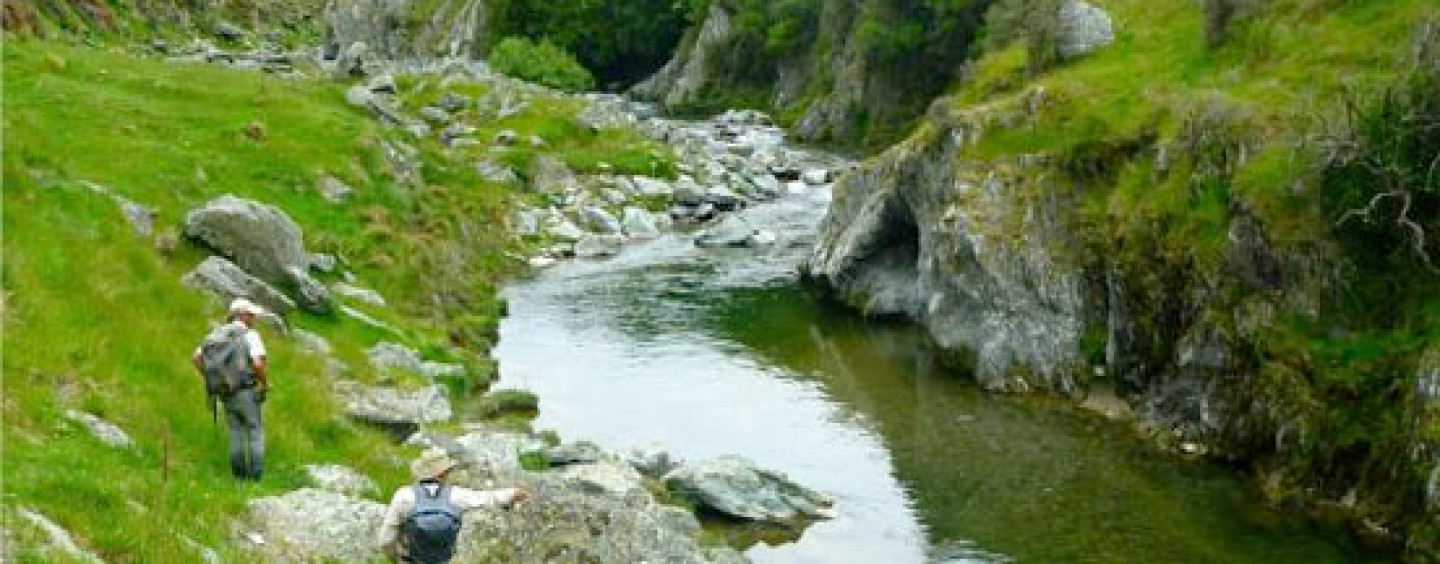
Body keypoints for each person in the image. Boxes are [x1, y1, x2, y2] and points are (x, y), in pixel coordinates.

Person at [378, 448, 532, 563]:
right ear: (442, 473)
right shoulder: (457, 495)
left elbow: (385, 540)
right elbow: (487, 498)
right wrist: (513, 493)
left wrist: (396, 559)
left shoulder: (403, 496)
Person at [192, 298, 269, 481]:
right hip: (247, 390)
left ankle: (239, 478)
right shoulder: (250, 335)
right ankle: (256, 477)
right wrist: (264, 383)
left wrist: (211, 378)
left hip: (226, 393)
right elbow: (258, 363)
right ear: (241, 315)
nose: (254, 318)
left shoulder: (217, 334)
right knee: (255, 431)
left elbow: (196, 358)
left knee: (235, 432)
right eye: (251, 315)